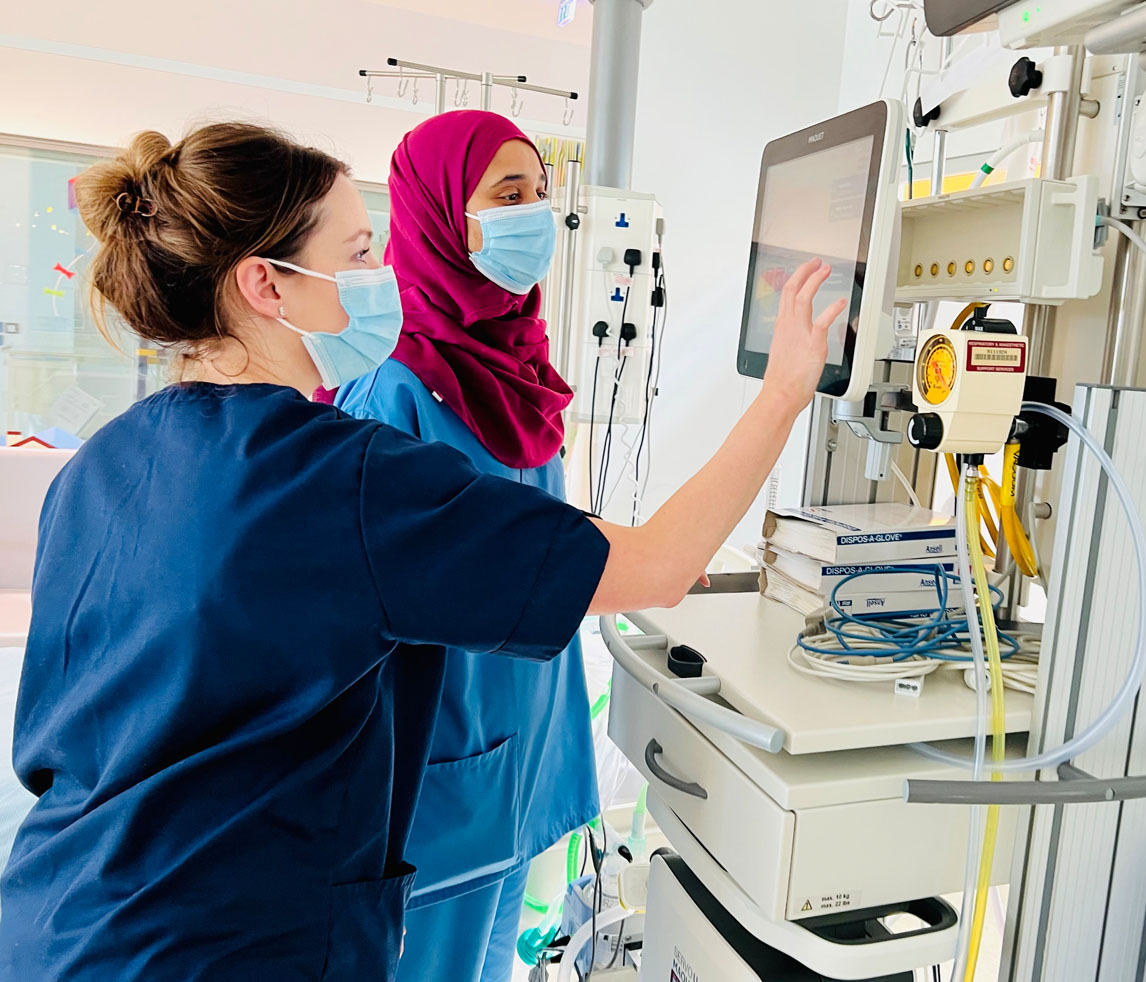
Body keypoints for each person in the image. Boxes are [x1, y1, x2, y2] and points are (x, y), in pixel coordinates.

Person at [0, 121, 841, 982]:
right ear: (265, 283)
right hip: (224, 943)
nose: (381, 276)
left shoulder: (104, 461)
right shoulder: (344, 473)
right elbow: (659, 567)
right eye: (360, 251)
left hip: (59, 917)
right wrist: (784, 391)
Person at [329, 110, 589, 982]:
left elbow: (526, 519)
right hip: (443, 751)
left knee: (493, 958)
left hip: (522, 730)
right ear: (437, 215)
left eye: (541, 195)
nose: (532, 217)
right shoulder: (394, 388)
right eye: (506, 195)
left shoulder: (522, 365)